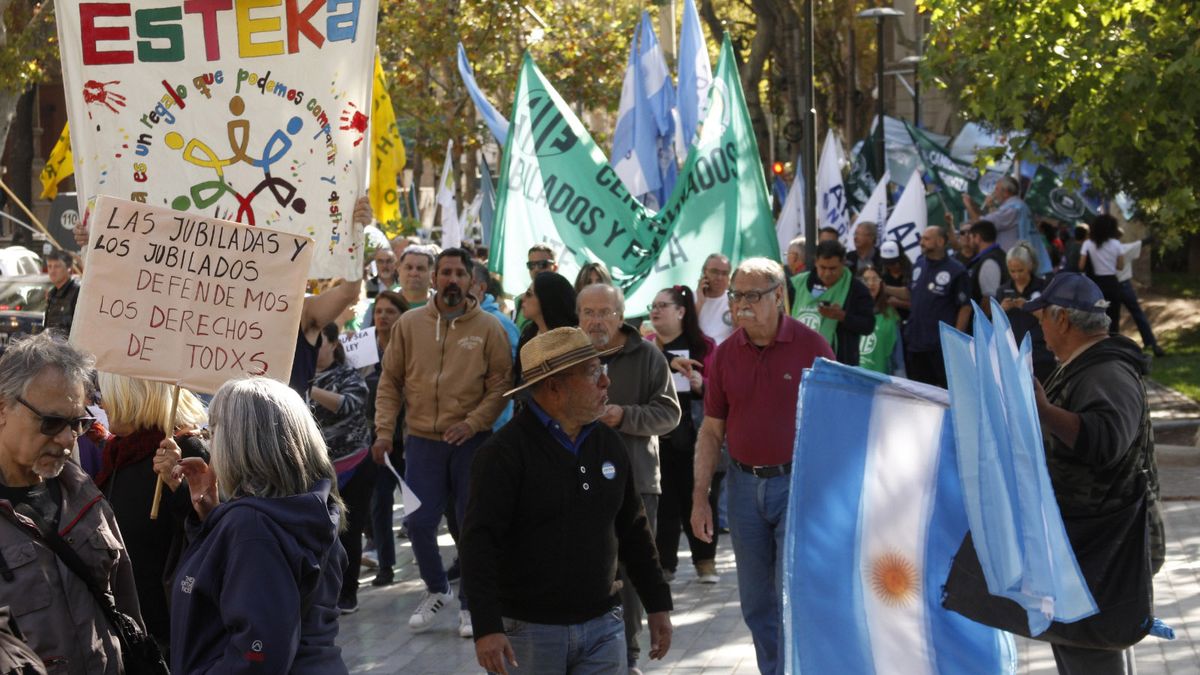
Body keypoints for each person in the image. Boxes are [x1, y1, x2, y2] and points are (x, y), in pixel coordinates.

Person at [462, 327, 673, 675]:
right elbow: (478, 543)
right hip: (528, 632)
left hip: (604, 624)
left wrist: (658, 604)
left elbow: (633, 528)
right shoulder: (503, 454)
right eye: (593, 372)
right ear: (554, 387)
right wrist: (486, 626)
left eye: (601, 369)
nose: (606, 381)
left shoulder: (608, 443)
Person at [690, 258, 833, 675]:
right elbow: (712, 432)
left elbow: (834, 425)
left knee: (791, 595)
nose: (742, 305)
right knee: (756, 603)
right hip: (742, 487)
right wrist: (700, 497)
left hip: (797, 485)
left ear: (779, 297)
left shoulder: (813, 348)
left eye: (753, 295)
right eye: (736, 296)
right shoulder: (725, 355)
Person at [371, 248, 513, 638]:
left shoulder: (489, 328)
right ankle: (438, 589)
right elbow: (390, 382)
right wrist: (384, 432)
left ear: (472, 282)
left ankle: (473, 605)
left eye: (459, 274)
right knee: (417, 523)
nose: (452, 280)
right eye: (445, 272)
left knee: (471, 525)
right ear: (434, 279)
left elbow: (502, 385)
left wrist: (473, 422)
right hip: (421, 442)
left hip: (472, 442)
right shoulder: (410, 325)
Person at [1025, 273, 1163, 674]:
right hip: (1090, 545)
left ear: (1063, 319)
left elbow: (1106, 441)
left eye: (1042, 320)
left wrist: (1046, 412)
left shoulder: (1107, 372)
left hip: (1104, 549)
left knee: (1090, 655)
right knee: (1077, 648)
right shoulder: (1088, 365)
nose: (1041, 330)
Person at [164, 377, 348, 674]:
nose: (211, 444)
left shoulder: (251, 526)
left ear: (240, 442)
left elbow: (258, 655)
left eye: (213, 431)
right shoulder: (306, 509)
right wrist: (212, 518)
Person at [0, 334, 141, 674]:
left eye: (77, 423)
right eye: (50, 422)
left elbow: (128, 613)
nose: (66, 439)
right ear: (2, 408)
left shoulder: (86, 498)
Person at [577, 283, 680, 673]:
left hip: (635, 481)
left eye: (605, 312)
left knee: (634, 570)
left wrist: (624, 417)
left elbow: (669, 415)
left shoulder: (648, 355)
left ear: (621, 316)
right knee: (592, 567)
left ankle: (630, 654)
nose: (596, 320)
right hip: (580, 481)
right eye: (588, 312)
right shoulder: (569, 354)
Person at [94, 372, 208, 652]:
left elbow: (209, 532)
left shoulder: (185, 449)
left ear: (131, 397)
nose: (103, 405)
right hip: (125, 624)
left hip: (167, 630)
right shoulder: (119, 452)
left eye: (106, 395)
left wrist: (177, 487)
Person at [644, 286, 720, 584]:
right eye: (653, 305)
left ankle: (705, 561)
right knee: (663, 502)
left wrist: (703, 384)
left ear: (681, 311)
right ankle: (664, 564)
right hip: (656, 436)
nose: (656, 310)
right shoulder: (646, 346)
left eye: (663, 305)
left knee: (699, 496)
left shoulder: (704, 347)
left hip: (693, 436)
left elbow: (719, 391)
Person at [311, 323, 374, 615]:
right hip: (319, 469)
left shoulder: (348, 374)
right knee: (322, 532)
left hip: (355, 464)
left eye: (319, 341)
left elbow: (350, 404)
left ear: (334, 344)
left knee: (350, 531)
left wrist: (310, 389)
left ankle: (348, 593)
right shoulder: (297, 376)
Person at [363, 290, 409, 587]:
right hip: (378, 437)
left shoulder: (411, 346)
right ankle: (387, 565)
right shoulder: (362, 350)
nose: (382, 317)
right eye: (378, 311)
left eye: (389, 311)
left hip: (411, 436)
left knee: (425, 505)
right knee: (380, 503)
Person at [904, 226, 970, 388]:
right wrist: (883, 288)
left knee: (946, 391)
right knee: (920, 392)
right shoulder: (918, 264)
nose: (921, 243)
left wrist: (955, 339)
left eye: (926, 239)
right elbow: (910, 292)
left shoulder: (957, 270)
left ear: (940, 242)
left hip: (940, 345)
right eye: (922, 239)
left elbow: (965, 307)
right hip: (916, 342)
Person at [789, 240, 873, 366]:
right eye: (823, 267)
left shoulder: (856, 289)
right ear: (815, 262)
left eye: (833, 268)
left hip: (839, 364)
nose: (827, 274)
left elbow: (868, 326)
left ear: (843, 263)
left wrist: (842, 316)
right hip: (798, 360)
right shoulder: (797, 284)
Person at [471, 262, 521, 429]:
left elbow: (509, 379)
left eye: (467, 280)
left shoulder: (501, 324)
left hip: (492, 427)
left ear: (481, 287)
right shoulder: (449, 321)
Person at [998, 242, 1056, 383]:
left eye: (1020, 270)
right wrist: (1000, 310)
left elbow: (1052, 317)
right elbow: (995, 322)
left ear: (1030, 266)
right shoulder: (1003, 290)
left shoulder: (1044, 287)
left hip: (1040, 352)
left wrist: (1029, 307)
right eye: (1012, 271)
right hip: (1013, 352)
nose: (1017, 276)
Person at [514, 272, 578, 390]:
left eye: (529, 294)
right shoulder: (528, 333)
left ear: (546, 299)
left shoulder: (574, 340)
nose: (522, 298)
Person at [1115, 237, 1165, 357]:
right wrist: (1155, 236)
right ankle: (1151, 344)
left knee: (1112, 316)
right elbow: (1141, 243)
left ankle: (1113, 346)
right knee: (1138, 314)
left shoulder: (1100, 250)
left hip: (1110, 284)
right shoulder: (1123, 248)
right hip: (1124, 284)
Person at [1078, 214, 1125, 336]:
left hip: (1095, 286)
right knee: (1113, 318)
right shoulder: (1116, 244)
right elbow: (1121, 266)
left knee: (1096, 319)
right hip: (1111, 283)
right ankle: (1113, 343)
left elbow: (1081, 266)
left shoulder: (1088, 244)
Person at [963, 174, 1033, 251]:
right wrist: (973, 205)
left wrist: (968, 205)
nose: (994, 193)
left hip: (1015, 258)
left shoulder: (1012, 209)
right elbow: (988, 219)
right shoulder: (1017, 205)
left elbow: (981, 225)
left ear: (1006, 192)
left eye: (996, 189)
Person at [857, 265, 905, 376]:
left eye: (875, 279)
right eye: (866, 280)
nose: (871, 283)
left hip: (879, 379)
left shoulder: (890, 314)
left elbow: (897, 358)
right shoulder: (848, 310)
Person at [964, 219, 1011, 320]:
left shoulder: (989, 261)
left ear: (978, 238)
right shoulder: (1000, 255)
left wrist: (982, 325)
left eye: (971, 237)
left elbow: (988, 301)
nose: (969, 241)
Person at [693, 254, 734, 344]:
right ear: (704, 272)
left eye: (724, 273)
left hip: (722, 354)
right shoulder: (690, 298)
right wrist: (700, 302)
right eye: (714, 272)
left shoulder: (734, 301)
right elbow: (684, 331)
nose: (719, 277)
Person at [515, 244, 559, 329]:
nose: (536, 269)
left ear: (555, 268)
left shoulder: (565, 300)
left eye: (542, 264)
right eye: (531, 265)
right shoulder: (520, 301)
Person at [42, 250, 80, 337]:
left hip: (69, 348)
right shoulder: (52, 294)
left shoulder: (77, 292)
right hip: (52, 347)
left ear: (69, 268)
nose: (52, 271)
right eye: (49, 266)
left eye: (57, 266)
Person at [878, 240, 913, 320]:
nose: (890, 266)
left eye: (893, 263)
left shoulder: (913, 273)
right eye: (887, 263)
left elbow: (920, 303)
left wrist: (900, 303)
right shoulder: (880, 274)